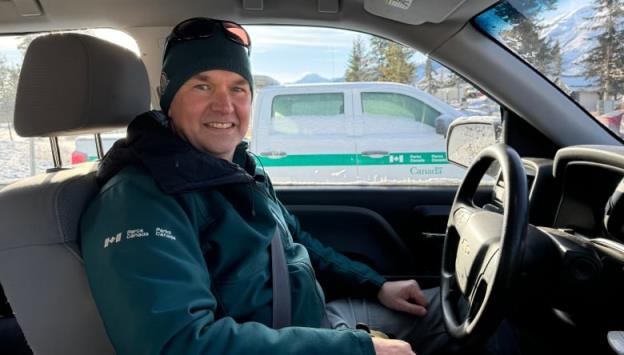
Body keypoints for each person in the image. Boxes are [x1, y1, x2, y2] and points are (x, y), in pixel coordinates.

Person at [80, 17, 450, 355]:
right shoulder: (138, 201)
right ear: (169, 100)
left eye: (238, 88)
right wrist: (356, 350)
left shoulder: (240, 169)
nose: (224, 105)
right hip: (297, 343)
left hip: (313, 329)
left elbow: (297, 242)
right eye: (202, 86)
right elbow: (181, 344)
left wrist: (375, 286)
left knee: (453, 309)